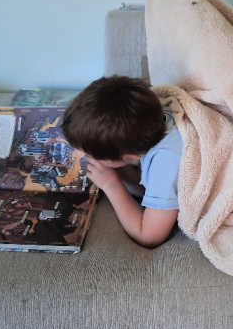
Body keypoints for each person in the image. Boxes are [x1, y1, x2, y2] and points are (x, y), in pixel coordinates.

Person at [61, 76, 182, 248]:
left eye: (91, 154)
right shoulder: (151, 112)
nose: (84, 156)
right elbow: (147, 189)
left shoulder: (166, 164)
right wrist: (123, 172)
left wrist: (112, 185)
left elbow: (149, 235)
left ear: (131, 157)